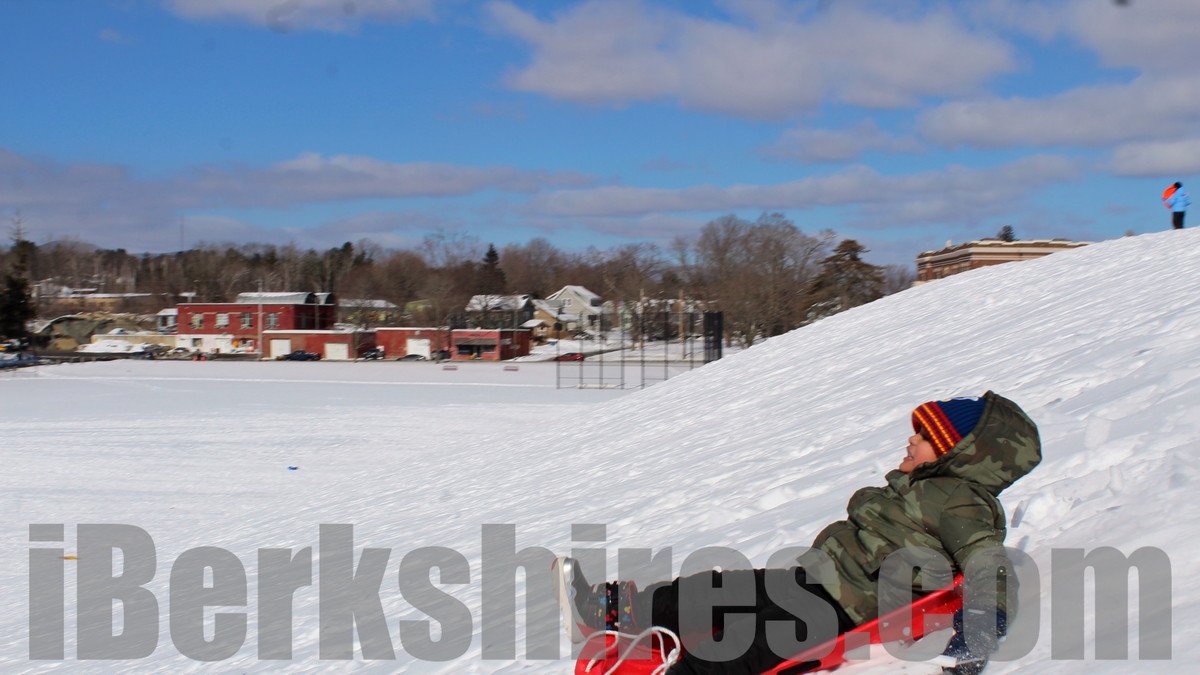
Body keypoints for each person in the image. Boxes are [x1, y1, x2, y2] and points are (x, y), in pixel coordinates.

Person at [555, 391, 1041, 675]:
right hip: (811, 582)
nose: (911, 439)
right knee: (711, 592)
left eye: (925, 436)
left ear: (957, 453)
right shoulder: (921, 487)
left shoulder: (960, 502)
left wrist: (983, 624)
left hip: (842, 611)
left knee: (739, 648)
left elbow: (987, 560)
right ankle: (610, 610)